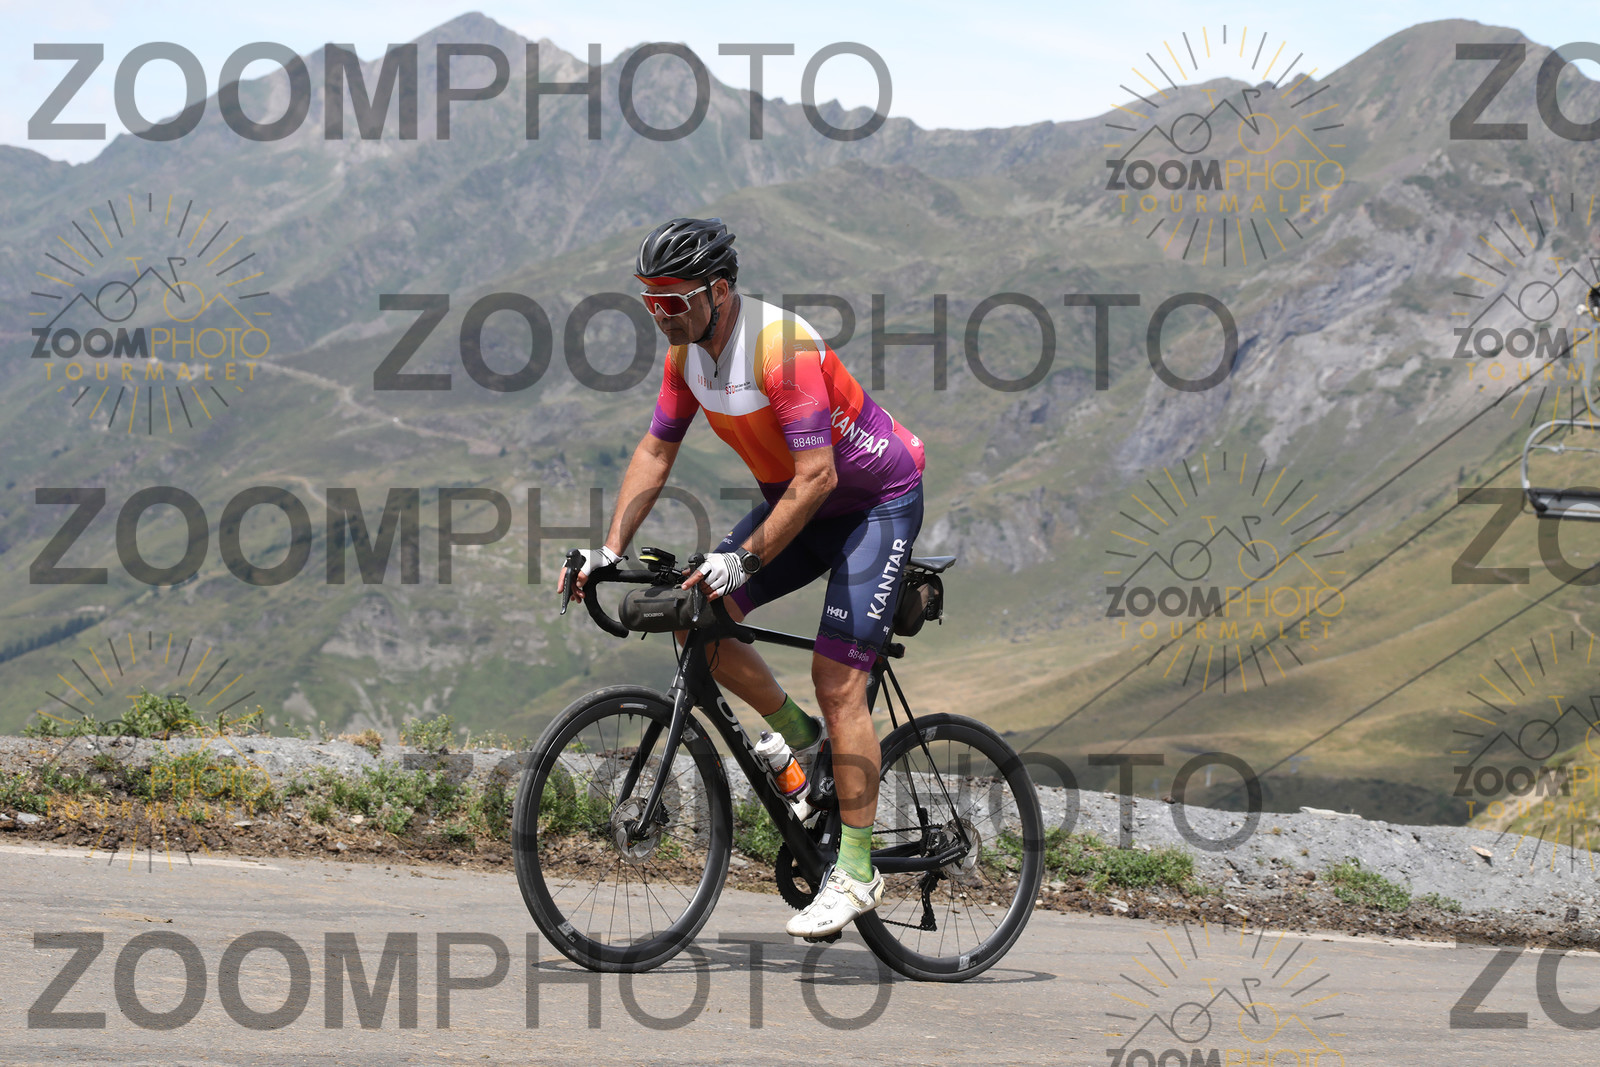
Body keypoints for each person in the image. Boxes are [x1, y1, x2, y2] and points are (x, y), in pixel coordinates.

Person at [560, 216, 926, 937]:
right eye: (649, 301)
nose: (660, 315)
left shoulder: (780, 351)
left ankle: (857, 871)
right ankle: (801, 742)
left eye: (672, 301)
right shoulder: (687, 358)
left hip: (872, 503)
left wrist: (743, 558)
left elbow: (819, 476)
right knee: (698, 618)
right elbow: (657, 451)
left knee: (837, 677)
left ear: (719, 291)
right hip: (801, 502)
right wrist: (607, 549)